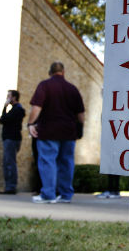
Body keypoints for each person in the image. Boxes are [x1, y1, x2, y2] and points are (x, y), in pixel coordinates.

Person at [28, 62, 85, 204]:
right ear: (63, 72)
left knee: (47, 161)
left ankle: (48, 194)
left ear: (50, 72)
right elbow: (81, 114)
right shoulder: (72, 89)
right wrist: (80, 129)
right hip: (69, 131)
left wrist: (30, 124)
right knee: (67, 162)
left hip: (49, 130)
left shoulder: (44, 85)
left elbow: (36, 108)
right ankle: (66, 195)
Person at [0, 90, 25, 195]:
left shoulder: (18, 109)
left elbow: (4, 119)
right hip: (9, 138)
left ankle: (11, 186)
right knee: (6, 162)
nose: (7, 98)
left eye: (9, 96)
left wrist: (4, 106)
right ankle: (8, 186)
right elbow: (3, 119)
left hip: (12, 138)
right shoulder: (14, 109)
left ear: (14, 97)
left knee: (10, 162)